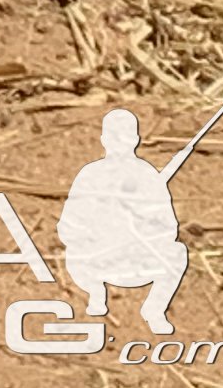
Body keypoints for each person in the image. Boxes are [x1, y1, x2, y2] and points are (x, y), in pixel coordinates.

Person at [57, 109, 191, 334]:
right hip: (97, 259)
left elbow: (169, 227)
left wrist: (143, 225)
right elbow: (68, 225)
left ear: (136, 140)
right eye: (114, 136)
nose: (120, 143)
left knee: (177, 253)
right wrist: (94, 231)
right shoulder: (90, 175)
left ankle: (154, 309)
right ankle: (96, 294)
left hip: (136, 259)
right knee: (73, 254)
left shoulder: (148, 176)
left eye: (126, 136)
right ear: (104, 140)